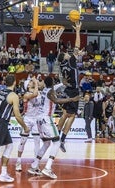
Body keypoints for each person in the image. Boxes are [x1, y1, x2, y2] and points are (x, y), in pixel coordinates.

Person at [27, 76, 79, 179]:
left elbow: (54, 87)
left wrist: (63, 83)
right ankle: (48, 168)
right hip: (46, 119)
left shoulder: (45, 89)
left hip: (39, 119)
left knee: (46, 143)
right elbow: (56, 100)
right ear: (53, 82)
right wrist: (71, 99)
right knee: (57, 142)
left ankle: (34, 165)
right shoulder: (50, 92)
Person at [57, 21, 82, 153]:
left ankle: (56, 135)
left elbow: (64, 80)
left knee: (65, 113)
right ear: (65, 57)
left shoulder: (62, 65)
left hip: (67, 89)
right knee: (72, 116)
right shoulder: (70, 61)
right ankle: (62, 139)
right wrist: (77, 30)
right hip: (73, 91)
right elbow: (77, 46)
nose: (68, 53)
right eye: (66, 53)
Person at [15, 77, 41, 172]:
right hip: (27, 119)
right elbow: (34, 94)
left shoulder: (39, 92)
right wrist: (35, 82)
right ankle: (18, 162)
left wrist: (37, 81)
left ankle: (36, 164)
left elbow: (41, 88)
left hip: (36, 120)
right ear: (28, 86)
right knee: (23, 141)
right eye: (30, 82)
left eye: (32, 81)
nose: (32, 82)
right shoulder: (26, 94)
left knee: (37, 142)